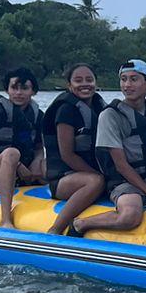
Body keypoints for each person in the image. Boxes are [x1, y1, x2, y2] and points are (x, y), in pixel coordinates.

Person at [73, 59, 146, 236]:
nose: (127, 85)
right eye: (123, 79)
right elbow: (120, 164)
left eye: (134, 79)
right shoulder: (110, 116)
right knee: (130, 216)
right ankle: (81, 223)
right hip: (124, 183)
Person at [0, 66, 44, 228]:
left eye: (24, 88)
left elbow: (39, 147)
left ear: (33, 91)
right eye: (14, 88)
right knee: (11, 153)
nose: (18, 93)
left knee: (47, 163)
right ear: (7, 90)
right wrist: (17, 165)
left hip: (23, 170)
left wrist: (37, 162)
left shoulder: (38, 115)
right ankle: (5, 219)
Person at [41, 62, 109, 236]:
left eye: (89, 79)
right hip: (64, 178)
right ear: (69, 86)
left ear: (96, 82)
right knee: (95, 182)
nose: (85, 84)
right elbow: (67, 155)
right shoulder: (65, 110)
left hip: (89, 172)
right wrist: (99, 175)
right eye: (78, 80)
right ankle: (55, 229)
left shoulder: (100, 107)